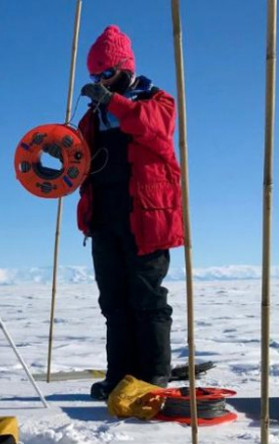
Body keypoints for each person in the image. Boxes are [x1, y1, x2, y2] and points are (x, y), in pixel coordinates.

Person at [75, 25, 184, 400]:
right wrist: (63, 153)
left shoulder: (157, 100)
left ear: (124, 68)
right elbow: (79, 160)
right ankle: (119, 376)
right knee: (114, 301)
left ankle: (154, 376)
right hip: (104, 216)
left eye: (105, 74)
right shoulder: (92, 117)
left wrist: (112, 101)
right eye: (94, 77)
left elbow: (154, 128)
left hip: (147, 217)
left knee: (147, 296)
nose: (100, 83)